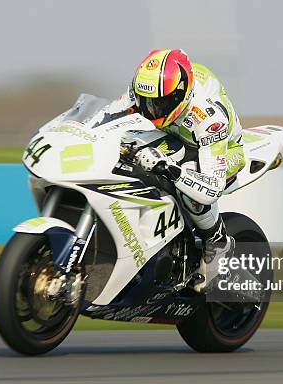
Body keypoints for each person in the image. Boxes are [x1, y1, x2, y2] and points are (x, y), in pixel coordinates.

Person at [89, 49, 246, 292]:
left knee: (191, 184)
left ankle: (218, 243)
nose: (151, 108)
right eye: (147, 101)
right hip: (173, 134)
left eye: (160, 103)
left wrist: (169, 168)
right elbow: (105, 117)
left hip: (222, 148)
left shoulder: (207, 118)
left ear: (179, 95)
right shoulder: (144, 90)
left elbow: (211, 189)